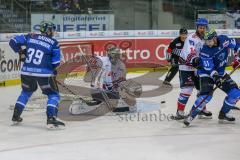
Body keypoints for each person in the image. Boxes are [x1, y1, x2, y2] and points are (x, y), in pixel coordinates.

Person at [9, 21, 65, 129]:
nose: (53, 32)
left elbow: (12, 41)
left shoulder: (31, 36)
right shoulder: (54, 43)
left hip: (26, 71)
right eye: (52, 29)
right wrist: (53, 70)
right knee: (53, 95)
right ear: (48, 30)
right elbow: (55, 63)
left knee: (26, 92)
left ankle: (16, 116)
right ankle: (51, 118)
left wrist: (20, 52)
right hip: (44, 74)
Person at [184, 28, 240, 126]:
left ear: (215, 38)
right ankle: (191, 115)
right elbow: (209, 68)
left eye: (209, 40)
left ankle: (223, 114)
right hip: (206, 73)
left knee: (235, 94)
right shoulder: (205, 50)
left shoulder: (224, 40)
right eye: (206, 41)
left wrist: (238, 57)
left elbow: (236, 45)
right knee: (206, 96)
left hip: (221, 72)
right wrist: (216, 78)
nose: (207, 43)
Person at [69, 45, 141, 114]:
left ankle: (105, 103)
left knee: (116, 99)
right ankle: (96, 102)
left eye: (117, 55)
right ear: (109, 54)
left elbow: (121, 81)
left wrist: (124, 87)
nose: (115, 57)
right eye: (113, 54)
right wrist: (93, 68)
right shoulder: (102, 60)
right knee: (101, 99)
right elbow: (93, 64)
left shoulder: (121, 66)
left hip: (111, 91)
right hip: (98, 90)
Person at [173, 18, 212, 120]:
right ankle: (179, 112)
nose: (202, 29)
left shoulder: (205, 38)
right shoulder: (191, 38)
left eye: (203, 27)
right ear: (197, 27)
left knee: (203, 89)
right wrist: (196, 60)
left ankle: (201, 109)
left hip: (198, 67)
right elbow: (190, 52)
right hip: (186, 67)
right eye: (200, 27)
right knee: (187, 89)